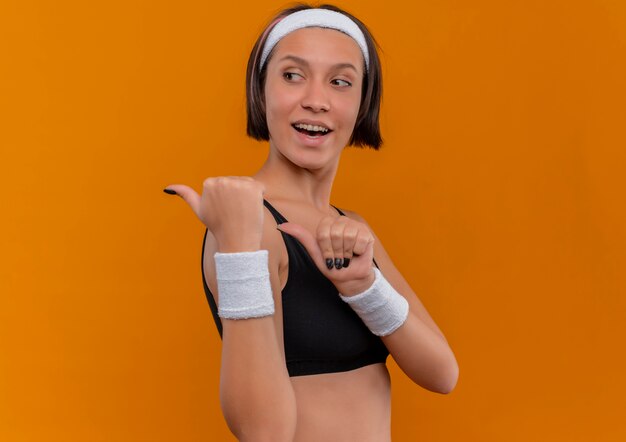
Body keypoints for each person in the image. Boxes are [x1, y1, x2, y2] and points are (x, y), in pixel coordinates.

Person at [164, 4, 458, 441]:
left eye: (340, 82)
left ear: (362, 103)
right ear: (260, 90)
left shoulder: (349, 226)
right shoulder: (250, 225)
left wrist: (363, 288)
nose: (316, 100)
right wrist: (240, 247)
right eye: (292, 75)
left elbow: (442, 373)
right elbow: (264, 433)